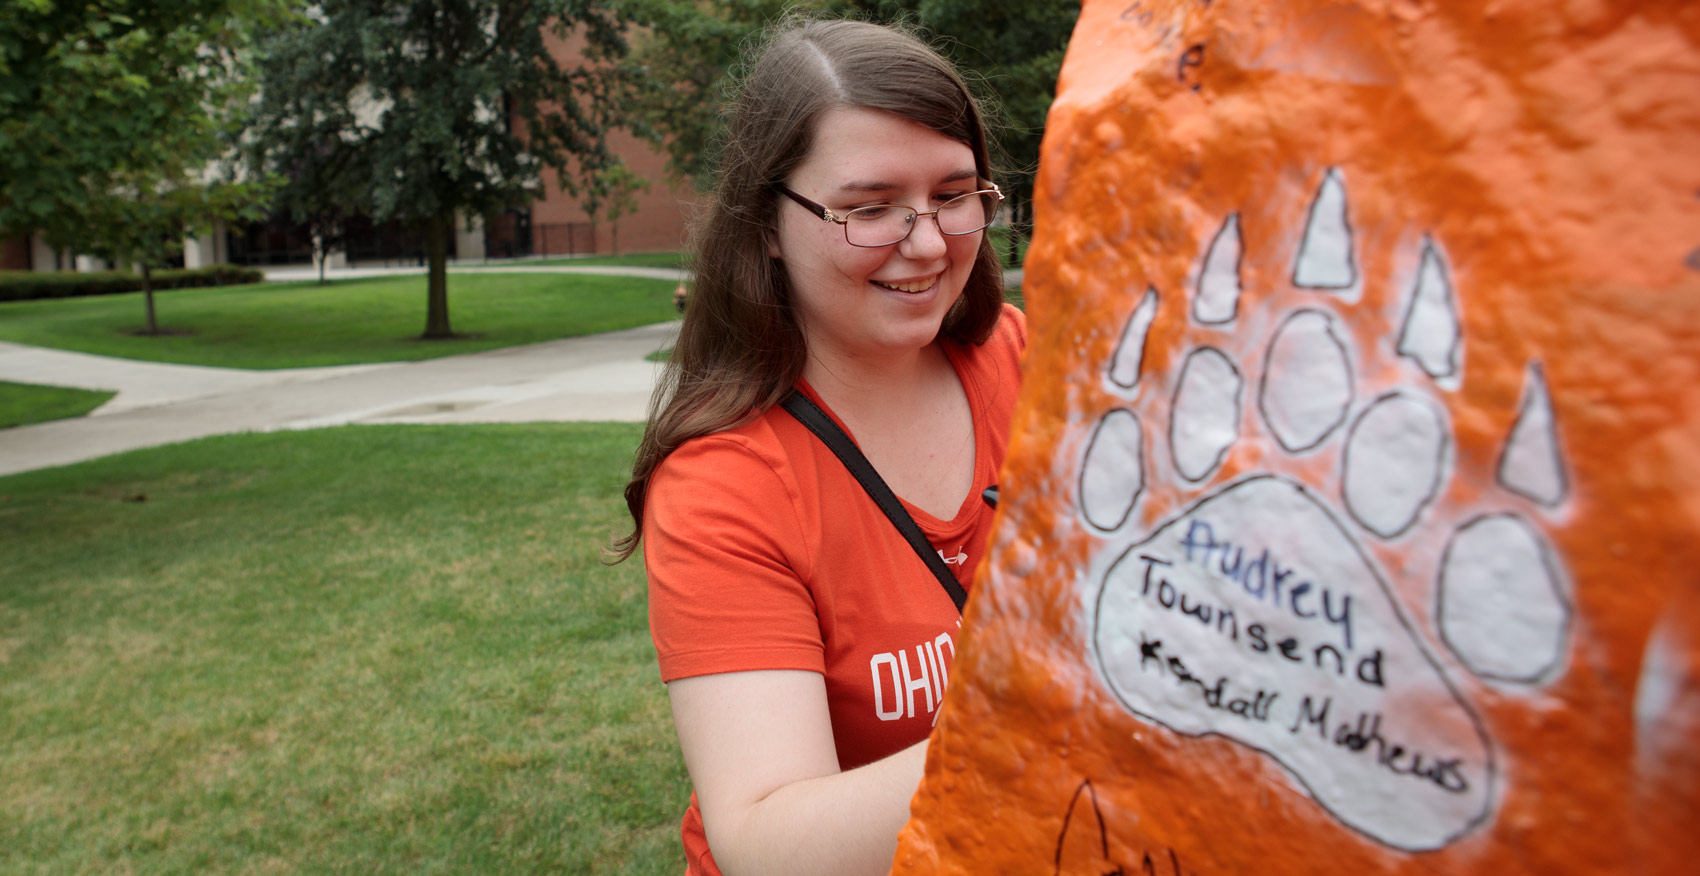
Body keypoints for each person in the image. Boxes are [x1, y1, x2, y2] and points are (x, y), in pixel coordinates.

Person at [610, 17, 1026, 876]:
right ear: (767, 223)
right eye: (870, 209)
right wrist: (1049, 723)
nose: (926, 242)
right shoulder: (724, 485)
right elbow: (766, 842)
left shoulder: (1022, 360)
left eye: (955, 195)